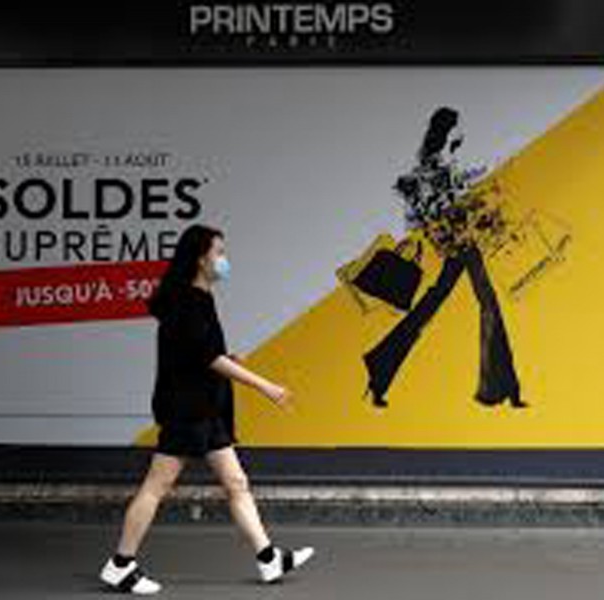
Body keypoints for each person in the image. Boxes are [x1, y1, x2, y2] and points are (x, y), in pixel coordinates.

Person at [99, 224, 314, 595]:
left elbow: (198, 354)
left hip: (206, 408)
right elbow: (206, 357)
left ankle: (268, 558)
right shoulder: (189, 301)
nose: (224, 260)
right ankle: (121, 564)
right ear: (201, 259)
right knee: (156, 486)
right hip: (187, 409)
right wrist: (264, 385)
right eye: (219, 253)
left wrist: (228, 359)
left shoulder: (197, 298)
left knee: (236, 483)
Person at [363, 106, 524, 409]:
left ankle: (379, 369)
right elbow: (425, 212)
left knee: (434, 303)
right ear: (445, 131)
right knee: (487, 303)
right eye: (456, 130)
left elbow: (454, 187)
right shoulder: (433, 169)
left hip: (456, 241)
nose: (460, 135)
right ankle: (502, 388)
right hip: (459, 242)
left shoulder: (436, 164)